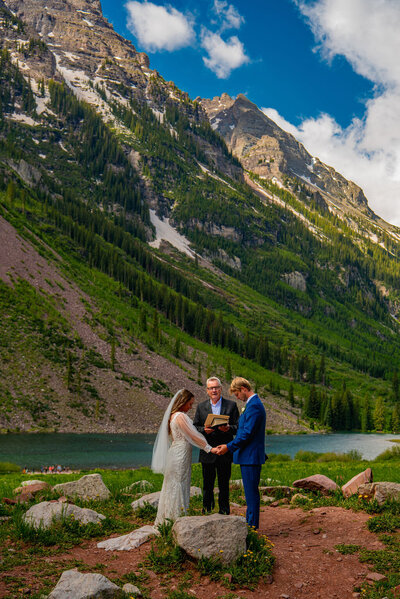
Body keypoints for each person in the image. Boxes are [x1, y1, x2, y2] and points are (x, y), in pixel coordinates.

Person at [152, 389, 218, 526]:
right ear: (182, 402)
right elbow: (192, 436)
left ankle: (168, 517)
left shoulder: (173, 416)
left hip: (177, 452)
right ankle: (177, 518)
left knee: (175, 483)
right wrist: (209, 448)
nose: (190, 407)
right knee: (178, 483)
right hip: (180, 455)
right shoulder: (180, 416)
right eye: (190, 404)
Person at [214, 377, 266, 529]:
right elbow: (244, 430)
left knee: (251, 494)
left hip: (251, 457)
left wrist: (228, 447)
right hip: (248, 456)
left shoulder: (254, 405)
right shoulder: (252, 405)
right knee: (250, 493)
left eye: (237, 393)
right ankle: (251, 525)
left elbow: (246, 434)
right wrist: (229, 429)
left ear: (244, 389)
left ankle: (252, 527)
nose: (237, 397)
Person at [193, 376, 239, 514]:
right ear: (207, 390)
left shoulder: (231, 405)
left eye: (216, 387)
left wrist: (229, 428)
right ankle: (207, 509)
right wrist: (204, 430)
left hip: (225, 450)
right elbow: (195, 427)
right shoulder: (201, 407)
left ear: (220, 389)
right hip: (208, 451)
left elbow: (238, 427)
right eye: (211, 388)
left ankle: (224, 511)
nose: (214, 390)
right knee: (207, 484)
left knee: (224, 484)